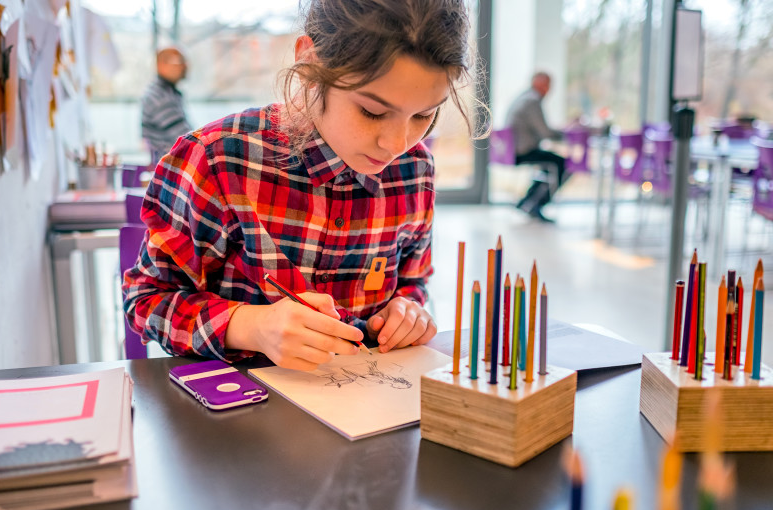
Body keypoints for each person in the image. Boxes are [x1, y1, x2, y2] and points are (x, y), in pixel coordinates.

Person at [123, 0, 482, 371]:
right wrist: (251, 327)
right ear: (310, 63)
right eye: (372, 111)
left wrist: (408, 312)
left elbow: (412, 282)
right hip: (240, 408)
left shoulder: (415, 169)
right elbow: (147, 299)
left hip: (371, 403)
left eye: (424, 114)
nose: (396, 144)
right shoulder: (219, 159)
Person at [506, 72, 567, 223]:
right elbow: (545, 132)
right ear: (541, 85)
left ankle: (527, 201)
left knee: (548, 163)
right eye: (548, 85)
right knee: (562, 163)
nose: (549, 90)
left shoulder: (523, 98)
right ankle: (537, 204)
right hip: (523, 152)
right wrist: (567, 133)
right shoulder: (532, 101)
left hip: (514, 151)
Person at [140, 47, 192, 165]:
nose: (185, 66)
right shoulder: (161, 98)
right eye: (180, 61)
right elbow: (187, 140)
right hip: (169, 169)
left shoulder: (165, 92)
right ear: (162, 65)